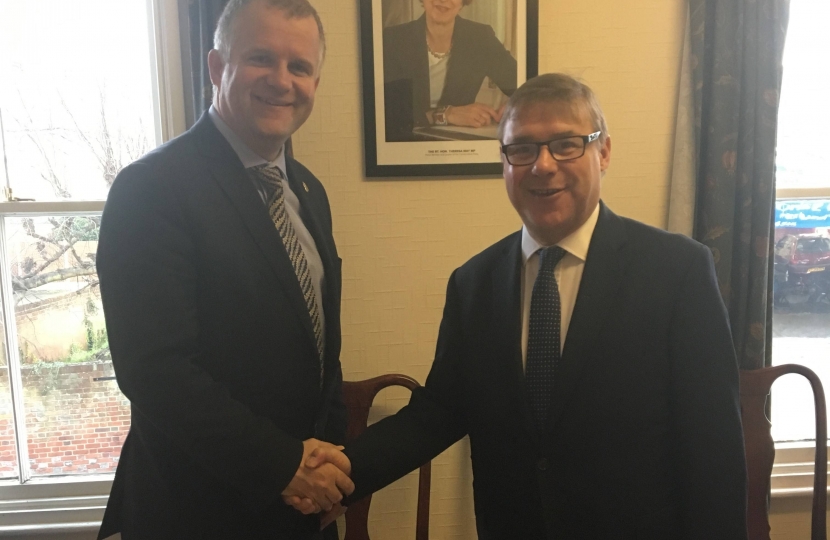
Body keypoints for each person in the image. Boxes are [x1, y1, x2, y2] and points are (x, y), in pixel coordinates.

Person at [301, 73, 748, 538]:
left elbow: (714, 448)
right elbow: (438, 413)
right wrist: (342, 476)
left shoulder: (677, 271)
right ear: (505, 161)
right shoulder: (474, 283)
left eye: (566, 144)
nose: (543, 165)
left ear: (604, 152)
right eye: (523, 149)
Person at [95, 1, 352, 538]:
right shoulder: (152, 189)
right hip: (196, 508)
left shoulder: (309, 191)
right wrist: (283, 466)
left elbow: (319, 349)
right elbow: (156, 369)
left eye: (299, 67)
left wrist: (328, 469)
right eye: (262, 58)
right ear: (216, 68)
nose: (282, 81)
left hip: (301, 511)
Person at [382, 0, 517, 141]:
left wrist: (514, 105)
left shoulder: (480, 37)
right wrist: (446, 115)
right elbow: (388, 112)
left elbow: (526, 85)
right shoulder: (393, 39)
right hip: (404, 144)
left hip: (459, 143)